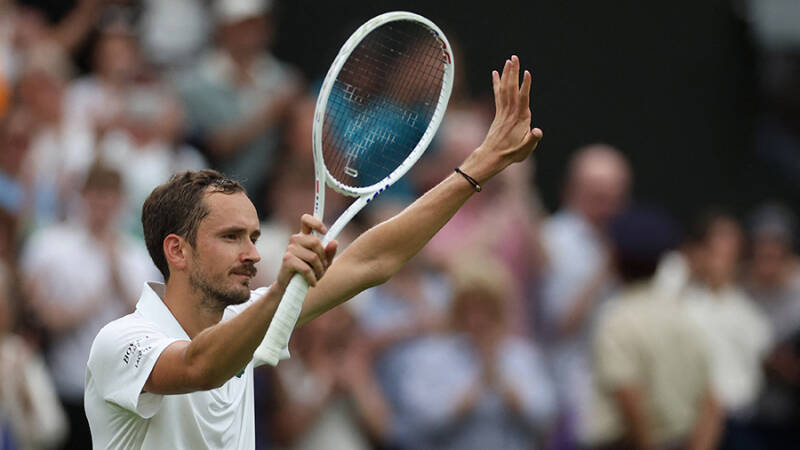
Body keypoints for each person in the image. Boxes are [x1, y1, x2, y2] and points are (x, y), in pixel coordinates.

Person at [84, 55, 543, 449]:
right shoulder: (121, 342)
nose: (251, 254)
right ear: (177, 251)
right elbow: (200, 365)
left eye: (253, 237)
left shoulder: (246, 324)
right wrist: (283, 286)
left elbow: (372, 261)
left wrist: (479, 166)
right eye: (230, 237)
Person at [19, 163, 156, 449]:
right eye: (96, 195)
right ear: (83, 196)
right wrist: (90, 303)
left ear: (121, 201)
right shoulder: (50, 245)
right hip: (65, 381)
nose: (102, 204)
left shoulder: (135, 256)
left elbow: (148, 322)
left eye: (110, 196)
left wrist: (115, 272)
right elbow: (38, 313)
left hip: (117, 390)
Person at [583, 208, 721, 450]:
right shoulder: (683, 315)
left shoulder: (617, 320)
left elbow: (628, 398)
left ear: (614, 256)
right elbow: (711, 401)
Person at [539, 144, 631, 446]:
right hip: (565, 394)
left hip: (619, 394)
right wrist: (607, 268)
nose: (607, 208)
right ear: (571, 190)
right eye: (597, 197)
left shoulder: (627, 238)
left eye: (615, 198)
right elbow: (558, 323)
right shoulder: (552, 240)